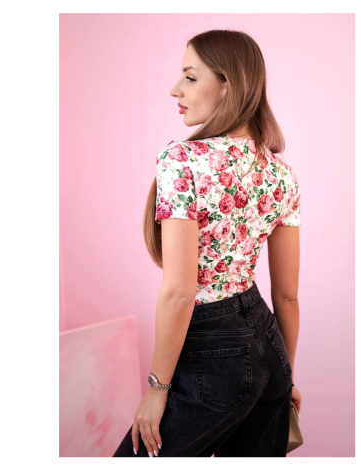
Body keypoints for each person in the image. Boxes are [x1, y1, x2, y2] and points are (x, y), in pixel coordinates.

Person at [113, 29, 302, 458]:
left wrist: (157, 390)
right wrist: (285, 376)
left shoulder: (182, 160)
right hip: (268, 341)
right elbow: (287, 297)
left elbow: (181, 293)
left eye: (190, 77)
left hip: (214, 350)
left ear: (228, 84)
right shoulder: (282, 174)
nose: (175, 90)